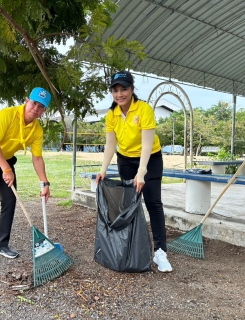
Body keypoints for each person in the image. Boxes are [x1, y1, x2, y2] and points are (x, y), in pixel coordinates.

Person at [96, 70, 172, 273]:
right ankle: (130, 247)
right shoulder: (111, 114)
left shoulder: (144, 109)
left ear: (132, 89)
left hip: (150, 159)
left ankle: (160, 252)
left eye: (124, 89)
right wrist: (103, 169)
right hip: (126, 160)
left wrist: (142, 172)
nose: (119, 94)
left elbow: (147, 145)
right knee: (129, 204)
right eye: (115, 90)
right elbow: (111, 144)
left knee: (153, 202)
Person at [0, 87, 52, 267]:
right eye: (34, 103)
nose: (35, 108)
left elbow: (37, 158)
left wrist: (44, 183)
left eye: (41, 107)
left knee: (10, 200)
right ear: (27, 100)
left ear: (44, 111)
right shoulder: (7, 114)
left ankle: (1, 244)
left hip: (6, 162)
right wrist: (6, 169)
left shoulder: (36, 131)